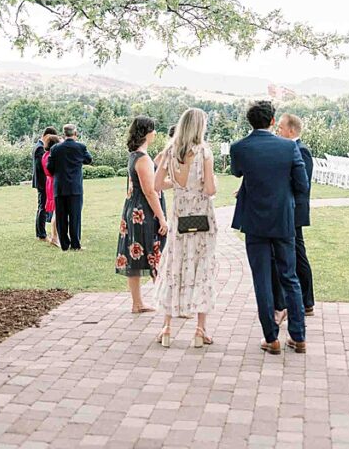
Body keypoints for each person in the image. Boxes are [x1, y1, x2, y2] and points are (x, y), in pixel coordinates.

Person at [230, 101, 310, 355]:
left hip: (254, 222)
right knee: (290, 277)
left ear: (250, 122)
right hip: (284, 221)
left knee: (262, 280)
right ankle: (298, 337)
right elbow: (302, 185)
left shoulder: (239, 148)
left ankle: (271, 338)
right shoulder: (288, 148)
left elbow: (237, 172)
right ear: (273, 121)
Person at [153, 108, 217, 348]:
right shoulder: (204, 153)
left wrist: (179, 186)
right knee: (202, 268)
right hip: (201, 218)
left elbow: (158, 184)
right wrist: (198, 186)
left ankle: (167, 327)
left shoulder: (169, 151)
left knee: (174, 267)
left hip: (179, 218)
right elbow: (210, 189)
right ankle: (200, 330)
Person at [115, 116, 168, 311]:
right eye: (153, 130)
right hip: (144, 213)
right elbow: (150, 190)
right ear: (146, 133)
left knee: (135, 256)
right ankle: (167, 303)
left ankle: (137, 303)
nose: (155, 133)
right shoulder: (143, 159)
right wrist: (162, 218)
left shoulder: (136, 155)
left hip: (133, 210)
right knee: (156, 253)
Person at [272, 113, 315, 320]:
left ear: (291, 130)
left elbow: (301, 184)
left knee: (298, 255)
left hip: (295, 210)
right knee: (294, 254)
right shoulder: (286, 149)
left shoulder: (302, 151)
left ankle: (307, 302)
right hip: (285, 210)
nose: (277, 131)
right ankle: (300, 302)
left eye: (280, 128)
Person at [46, 123, 92, 251]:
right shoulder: (80, 147)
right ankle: (75, 244)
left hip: (60, 187)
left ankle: (64, 244)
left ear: (63, 134)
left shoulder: (55, 149)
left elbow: (50, 167)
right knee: (75, 216)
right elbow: (89, 160)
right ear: (75, 133)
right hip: (75, 187)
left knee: (61, 217)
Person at [32, 126, 57, 240]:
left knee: (42, 207)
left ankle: (41, 232)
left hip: (43, 181)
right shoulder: (39, 148)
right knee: (42, 207)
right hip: (42, 182)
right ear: (47, 135)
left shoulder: (39, 146)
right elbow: (40, 166)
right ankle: (41, 234)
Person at [41, 134, 61, 248]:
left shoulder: (45, 155)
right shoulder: (51, 156)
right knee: (57, 212)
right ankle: (54, 237)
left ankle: (56, 236)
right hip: (54, 183)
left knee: (56, 211)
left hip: (49, 182)